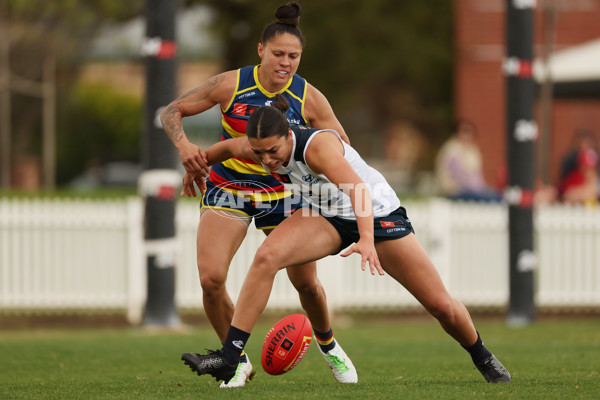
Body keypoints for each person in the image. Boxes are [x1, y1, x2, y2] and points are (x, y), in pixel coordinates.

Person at [180, 95, 512, 385]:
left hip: (377, 214)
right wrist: (198, 165)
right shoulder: (257, 147)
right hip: (327, 214)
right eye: (259, 153)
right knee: (267, 258)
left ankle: (481, 355)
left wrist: (367, 239)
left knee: (441, 306)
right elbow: (224, 149)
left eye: (273, 151)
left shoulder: (317, 148)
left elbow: (360, 192)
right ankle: (230, 355)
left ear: (288, 135)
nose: (267, 159)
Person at [160, 2, 357, 387]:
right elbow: (172, 111)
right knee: (211, 280)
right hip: (229, 188)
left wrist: (313, 162)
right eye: (279, 54)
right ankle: (235, 362)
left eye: (294, 56)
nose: (286, 63)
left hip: (284, 195)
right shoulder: (230, 84)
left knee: (306, 284)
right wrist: (185, 149)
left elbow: (343, 146)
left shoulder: (309, 98)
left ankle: (329, 345)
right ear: (261, 50)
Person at [435, 120, 502, 202]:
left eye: (470, 132)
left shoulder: (472, 149)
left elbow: (477, 175)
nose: (468, 135)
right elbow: (459, 176)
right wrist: (478, 189)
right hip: (455, 191)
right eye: (465, 131)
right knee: (491, 198)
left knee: (497, 196)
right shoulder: (452, 149)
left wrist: (482, 188)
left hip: (472, 190)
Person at [559, 129, 599, 206]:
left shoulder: (595, 175)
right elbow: (566, 195)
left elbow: (594, 191)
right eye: (581, 149)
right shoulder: (572, 175)